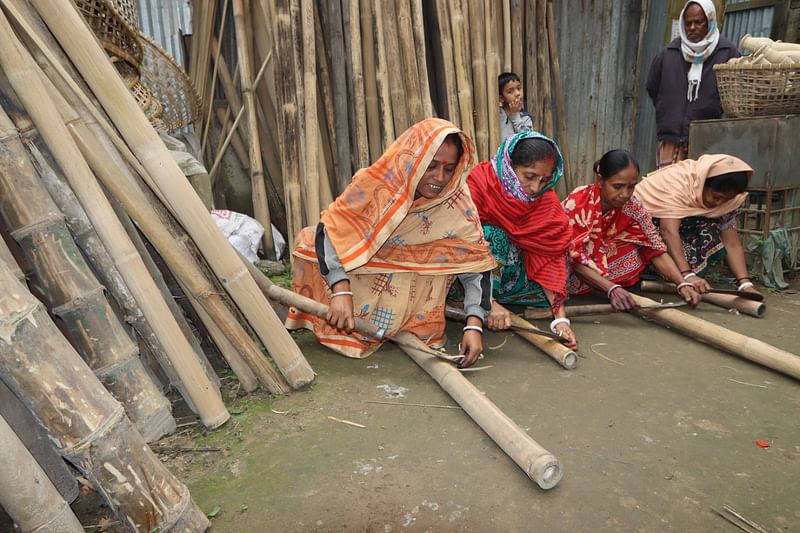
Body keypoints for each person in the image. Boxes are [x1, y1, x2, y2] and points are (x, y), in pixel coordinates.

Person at [285, 118, 496, 369]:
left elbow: (476, 267)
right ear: (413, 160)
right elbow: (331, 229)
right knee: (308, 242)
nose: (439, 178)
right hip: (361, 284)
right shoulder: (377, 182)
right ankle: (348, 323)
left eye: (449, 169)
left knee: (435, 265)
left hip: (415, 298)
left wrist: (474, 325)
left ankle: (409, 327)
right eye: (432, 166)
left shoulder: (457, 201)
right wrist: (340, 290)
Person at [465, 130, 577, 349]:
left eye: (544, 180)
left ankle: (499, 301)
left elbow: (551, 253)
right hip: (472, 278)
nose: (535, 188)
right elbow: (461, 244)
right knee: (491, 235)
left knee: (558, 243)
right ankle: (484, 303)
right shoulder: (479, 184)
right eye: (529, 176)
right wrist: (490, 303)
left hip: (510, 280)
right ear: (509, 166)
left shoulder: (545, 199)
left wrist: (560, 320)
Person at [563, 149, 701, 310]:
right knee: (566, 256)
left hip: (597, 261)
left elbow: (654, 247)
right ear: (600, 180)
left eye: (631, 187)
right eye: (618, 186)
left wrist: (682, 283)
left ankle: (602, 284)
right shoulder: (578, 202)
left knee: (636, 251)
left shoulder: (633, 206)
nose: (625, 194)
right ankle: (602, 285)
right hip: (569, 268)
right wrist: (611, 288)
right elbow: (572, 255)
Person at [633, 154, 762, 296]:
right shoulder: (679, 184)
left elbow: (731, 242)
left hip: (677, 230)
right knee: (655, 241)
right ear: (702, 184)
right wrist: (687, 275)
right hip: (644, 228)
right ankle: (665, 272)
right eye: (717, 197)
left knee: (710, 227)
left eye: (726, 199)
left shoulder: (726, 203)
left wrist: (745, 283)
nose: (719, 203)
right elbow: (668, 231)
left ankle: (675, 274)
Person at [646, 0, 739, 168]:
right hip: (671, 140)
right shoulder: (669, 53)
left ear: (710, 21)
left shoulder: (727, 53)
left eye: (698, 22)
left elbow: (736, 93)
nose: (692, 27)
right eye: (688, 23)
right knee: (667, 190)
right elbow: (653, 87)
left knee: (700, 191)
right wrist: (668, 109)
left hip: (709, 143)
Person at [498, 72, 533, 143]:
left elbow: (527, 142)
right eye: (510, 91)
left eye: (519, 88)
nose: (517, 93)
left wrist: (515, 115)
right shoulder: (496, 115)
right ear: (501, 98)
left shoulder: (525, 118)